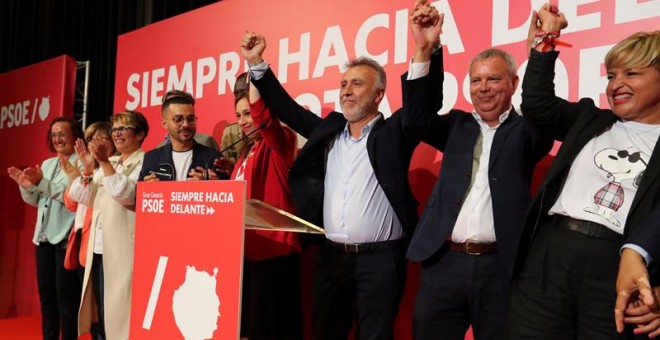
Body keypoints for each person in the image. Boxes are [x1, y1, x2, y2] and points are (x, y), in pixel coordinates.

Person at [239, 8, 443, 338]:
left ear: (378, 94)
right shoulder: (329, 131)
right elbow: (286, 108)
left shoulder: (395, 133)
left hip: (381, 263)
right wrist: (257, 63)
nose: (346, 90)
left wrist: (425, 50)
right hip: (331, 260)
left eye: (357, 84)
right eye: (344, 84)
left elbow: (423, 107)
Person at [507, 3, 660, 339]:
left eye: (631, 73)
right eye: (612, 75)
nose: (617, 83)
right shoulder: (591, 119)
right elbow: (537, 103)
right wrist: (546, 41)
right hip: (551, 255)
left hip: (617, 268)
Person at [401, 3, 553, 339]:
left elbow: (542, 111)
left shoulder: (527, 131)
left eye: (494, 79)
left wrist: (539, 50)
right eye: (476, 80)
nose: (483, 87)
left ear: (513, 83)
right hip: (443, 263)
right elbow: (414, 120)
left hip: (499, 267)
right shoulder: (456, 126)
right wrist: (424, 49)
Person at [68, 110, 149, 340]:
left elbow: (128, 195)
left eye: (124, 129)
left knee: (121, 312)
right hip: (99, 247)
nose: (117, 134)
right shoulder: (111, 161)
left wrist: (103, 163)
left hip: (125, 248)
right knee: (102, 312)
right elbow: (84, 197)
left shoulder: (145, 161)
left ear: (140, 134)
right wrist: (86, 169)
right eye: (114, 129)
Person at [231, 81, 302, 340]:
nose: (243, 121)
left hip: (275, 252)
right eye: (238, 115)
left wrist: (255, 68)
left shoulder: (279, 143)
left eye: (247, 113)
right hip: (246, 255)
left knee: (273, 329)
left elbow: (266, 121)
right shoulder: (244, 153)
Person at [6, 116, 84, 340]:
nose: (58, 139)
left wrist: (42, 183)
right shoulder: (48, 164)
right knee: (47, 299)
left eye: (62, 134)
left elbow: (71, 196)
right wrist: (27, 187)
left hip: (65, 240)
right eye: (54, 135)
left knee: (66, 302)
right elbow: (37, 200)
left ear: (74, 137)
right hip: (42, 239)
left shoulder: (81, 163)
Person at [60, 121, 116, 340]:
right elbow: (71, 203)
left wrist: (91, 169)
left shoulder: (112, 168)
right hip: (83, 244)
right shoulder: (88, 167)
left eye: (102, 138)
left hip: (103, 243)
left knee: (103, 309)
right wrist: (82, 172)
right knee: (89, 308)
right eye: (92, 139)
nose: (96, 143)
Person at [140, 90, 222, 181]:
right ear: (164, 123)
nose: (186, 124)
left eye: (190, 119)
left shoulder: (212, 157)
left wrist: (208, 186)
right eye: (178, 119)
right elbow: (138, 194)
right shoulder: (152, 158)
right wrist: (146, 190)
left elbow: (227, 192)